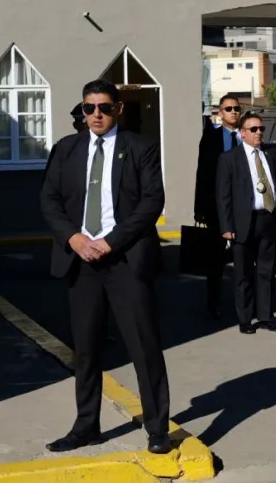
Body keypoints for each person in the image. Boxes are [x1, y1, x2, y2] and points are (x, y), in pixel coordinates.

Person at [40, 79, 172, 454]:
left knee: (143, 345)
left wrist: (110, 241)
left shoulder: (141, 148)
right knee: (85, 348)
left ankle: (157, 428)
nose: (96, 114)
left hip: (125, 260)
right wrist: (74, 238)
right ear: (82, 111)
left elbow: (151, 202)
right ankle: (87, 425)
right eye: (89, 108)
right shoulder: (66, 150)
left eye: (104, 107)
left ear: (118, 109)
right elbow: (49, 199)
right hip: (80, 260)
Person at [216, 111, 276, 334]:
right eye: (254, 129)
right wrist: (226, 227)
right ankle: (246, 319)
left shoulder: (271, 156)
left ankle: (266, 316)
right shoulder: (230, 159)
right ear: (242, 133)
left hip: (268, 219)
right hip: (243, 222)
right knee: (243, 273)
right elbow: (223, 196)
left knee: (266, 272)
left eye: (261, 129)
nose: (259, 133)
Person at [194, 94, 243, 318]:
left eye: (236, 108)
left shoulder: (248, 136)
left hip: (242, 206)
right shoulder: (211, 138)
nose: (233, 112)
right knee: (215, 259)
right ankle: (213, 303)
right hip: (216, 207)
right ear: (220, 113)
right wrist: (200, 208)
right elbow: (202, 174)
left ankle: (244, 303)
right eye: (228, 108)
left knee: (243, 256)